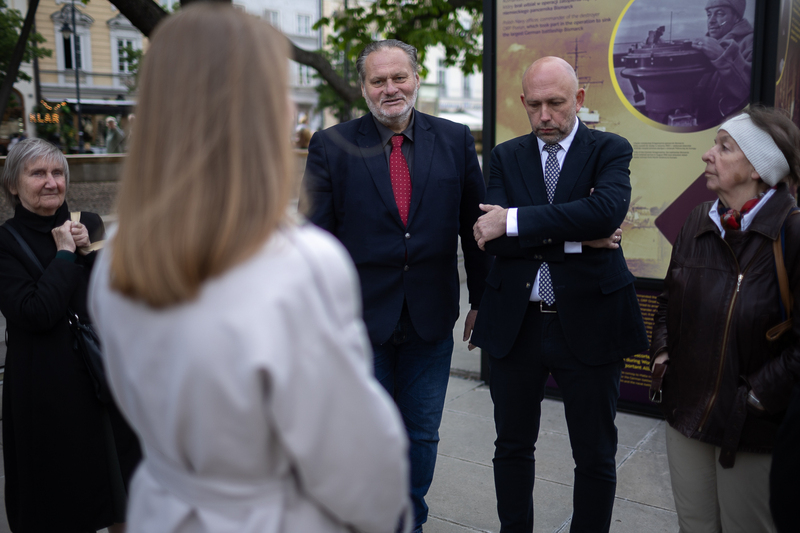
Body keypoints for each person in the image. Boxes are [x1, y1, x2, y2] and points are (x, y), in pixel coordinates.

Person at [88, 6, 410, 533]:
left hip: (162, 508)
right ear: (262, 110)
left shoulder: (120, 253)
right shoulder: (299, 266)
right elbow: (360, 470)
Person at [301, 39, 490, 532]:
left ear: (416, 77)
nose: (390, 88)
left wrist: (482, 300)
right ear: (363, 87)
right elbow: (314, 241)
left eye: (398, 77)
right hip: (360, 322)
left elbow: (474, 228)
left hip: (430, 317)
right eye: (378, 80)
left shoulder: (454, 140)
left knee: (422, 435)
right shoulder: (332, 145)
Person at [470, 56, 648, 533]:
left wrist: (515, 219)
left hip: (590, 320)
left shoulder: (610, 148)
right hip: (517, 323)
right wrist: (576, 236)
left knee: (593, 452)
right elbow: (492, 237)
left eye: (556, 103)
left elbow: (605, 213)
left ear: (580, 100)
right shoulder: (507, 155)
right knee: (511, 445)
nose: (545, 116)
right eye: (534, 105)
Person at [650, 107, 800, 533]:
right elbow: (668, 298)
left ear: (758, 167)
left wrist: (754, 397)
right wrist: (663, 354)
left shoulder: (792, 233)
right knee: (694, 526)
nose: (707, 155)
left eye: (724, 147)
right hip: (687, 415)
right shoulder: (698, 220)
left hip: (753, 429)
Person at [0, 138, 141, 533]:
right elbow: (35, 312)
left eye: (58, 173)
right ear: (13, 184)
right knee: (59, 500)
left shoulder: (87, 223)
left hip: (99, 380)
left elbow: (111, 300)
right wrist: (63, 255)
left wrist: (88, 255)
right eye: (37, 174)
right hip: (45, 392)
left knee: (121, 491)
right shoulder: (6, 243)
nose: (51, 182)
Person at [692, 0, 754, 125]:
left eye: (720, 14)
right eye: (709, 14)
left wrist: (721, 56)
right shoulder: (708, 44)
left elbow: (748, 92)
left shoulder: (752, 42)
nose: (711, 20)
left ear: (736, 17)